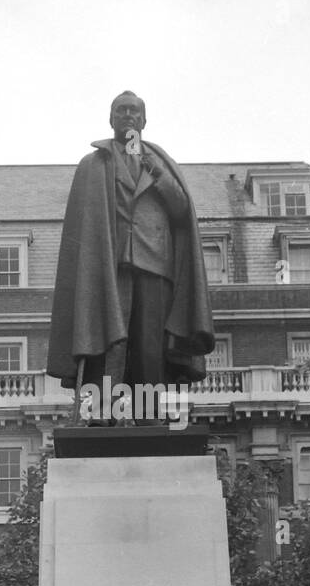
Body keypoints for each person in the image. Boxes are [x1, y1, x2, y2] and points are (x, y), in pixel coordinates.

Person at [46, 92, 214, 399]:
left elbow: (180, 210)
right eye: (121, 110)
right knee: (104, 336)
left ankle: (149, 412)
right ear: (111, 119)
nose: (128, 115)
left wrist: (157, 172)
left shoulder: (162, 162)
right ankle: (100, 410)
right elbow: (81, 229)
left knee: (149, 342)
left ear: (144, 120)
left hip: (155, 263)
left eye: (134, 111)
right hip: (107, 263)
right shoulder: (93, 165)